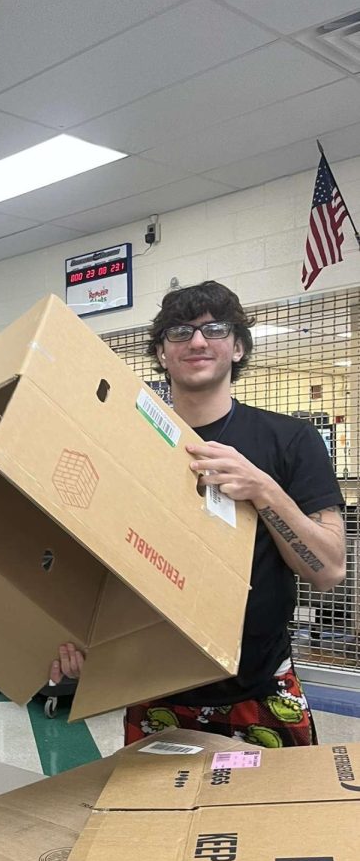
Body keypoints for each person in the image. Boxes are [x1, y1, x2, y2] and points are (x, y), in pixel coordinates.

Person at [52, 280, 345, 749]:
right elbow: (95, 560)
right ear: (161, 353)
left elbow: (329, 570)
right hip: (153, 690)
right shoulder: (127, 443)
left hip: (261, 688)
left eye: (215, 329)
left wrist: (263, 489)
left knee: (274, 822)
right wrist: (78, 639)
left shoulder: (290, 440)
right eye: (179, 331)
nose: (197, 341)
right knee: (155, 824)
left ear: (239, 347)